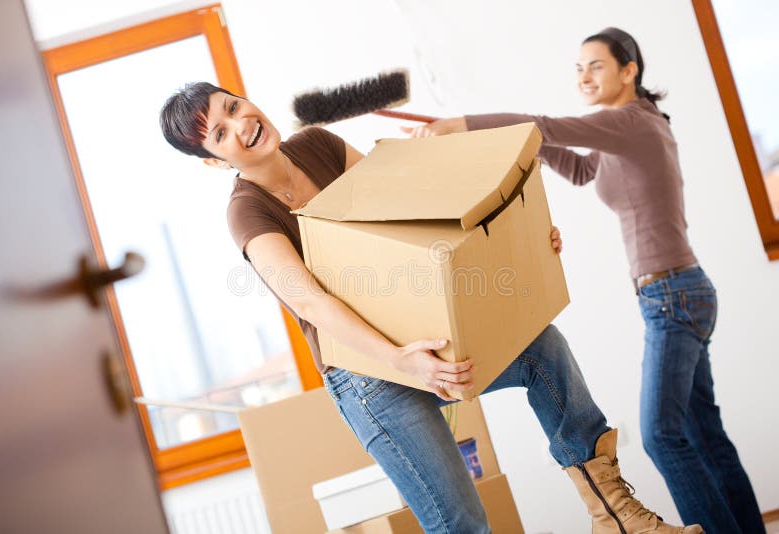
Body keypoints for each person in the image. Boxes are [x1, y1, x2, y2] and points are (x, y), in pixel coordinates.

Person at [159, 81, 702, 534]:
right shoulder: (247, 214)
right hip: (367, 374)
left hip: (417, 331)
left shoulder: (320, 145)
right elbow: (312, 303)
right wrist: (401, 360)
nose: (240, 124)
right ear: (213, 160)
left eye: (233, 106)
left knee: (545, 350)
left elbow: (414, 213)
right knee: (460, 522)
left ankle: (616, 515)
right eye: (221, 133)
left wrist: (524, 232)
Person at [405, 27, 764, 534]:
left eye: (595, 65)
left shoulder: (631, 121)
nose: (584, 76)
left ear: (629, 70)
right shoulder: (634, 128)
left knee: (663, 436)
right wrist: (531, 140)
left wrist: (459, 126)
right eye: (578, 68)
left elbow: (548, 126)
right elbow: (578, 169)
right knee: (704, 435)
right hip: (679, 293)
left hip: (673, 296)